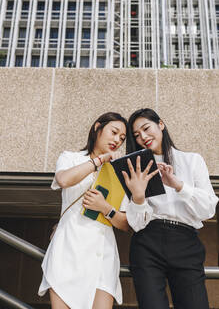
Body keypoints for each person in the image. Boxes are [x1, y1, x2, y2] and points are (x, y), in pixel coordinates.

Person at [122, 108, 218, 309]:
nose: (143, 137)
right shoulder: (136, 169)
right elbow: (137, 224)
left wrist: (178, 185)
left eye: (146, 128)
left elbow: (208, 209)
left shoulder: (192, 160)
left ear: (161, 124)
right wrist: (138, 196)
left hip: (186, 242)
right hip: (148, 241)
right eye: (137, 136)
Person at [38, 112, 130, 309]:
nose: (117, 140)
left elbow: (125, 223)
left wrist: (105, 208)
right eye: (114, 132)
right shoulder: (70, 157)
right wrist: (98, 161)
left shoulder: (118, 171)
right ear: (98, 127)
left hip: (101, 253)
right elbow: (63, 180)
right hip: (69, 247)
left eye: (122, 138)